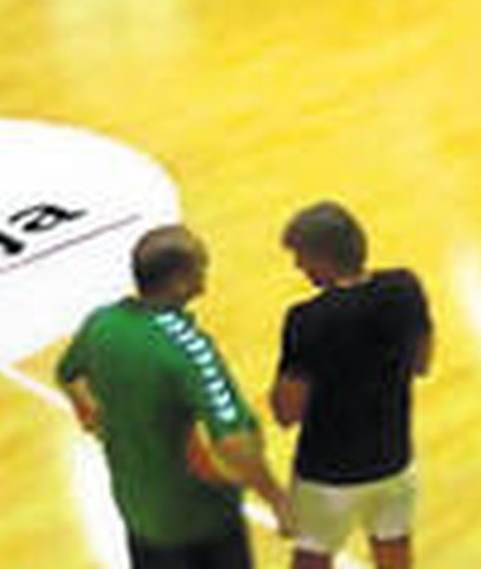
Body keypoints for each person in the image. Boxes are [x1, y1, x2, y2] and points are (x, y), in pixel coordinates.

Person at [57, 226, 291, 569]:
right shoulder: (190, 351)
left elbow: (68, 373)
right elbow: (233, 443)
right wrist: (277, 499)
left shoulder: (101, 325)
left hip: (138, 514)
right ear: (179, 280)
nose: (205, 271)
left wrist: (92, 417)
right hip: (200, 521)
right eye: (200, 265)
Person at [271, 203, 433, 569]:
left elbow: (287, 412)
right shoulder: (404, 289)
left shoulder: (307, 319)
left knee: (311, 559)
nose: (299, 267)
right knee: (394, 552)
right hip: (393, 459)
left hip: (328, 475)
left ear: (322, 256)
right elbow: (422, 363)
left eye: (301, 257)